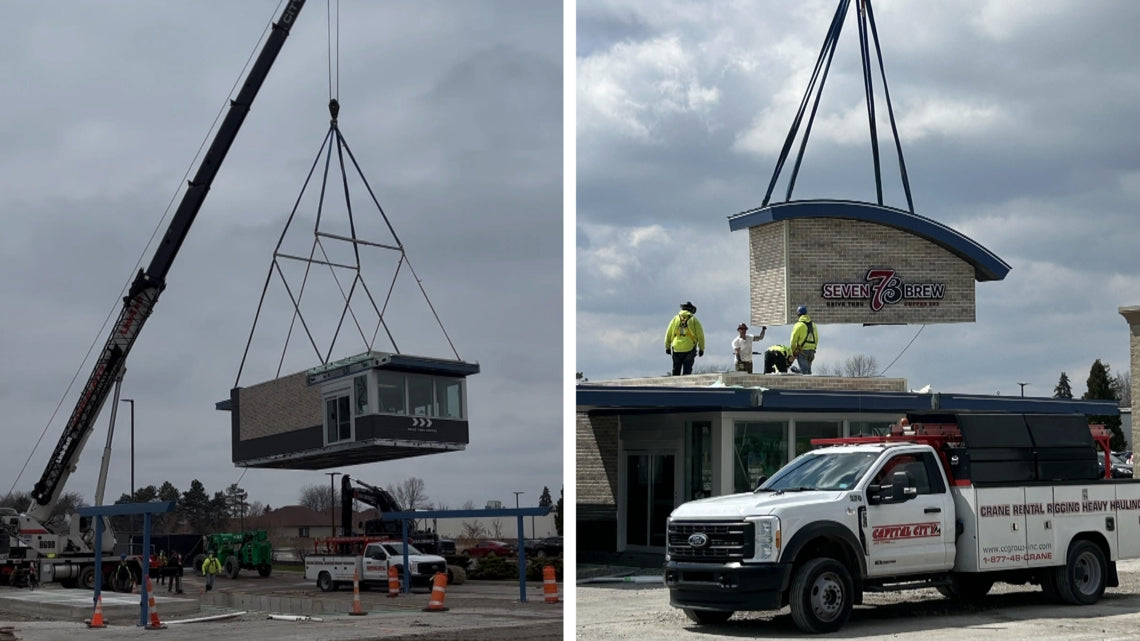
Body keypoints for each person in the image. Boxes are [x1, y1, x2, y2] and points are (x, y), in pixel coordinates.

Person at [665, 301, 705, 376]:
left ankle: (674, 386)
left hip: (676, 347)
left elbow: (668, 333)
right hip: (689, 348)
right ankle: (685, 387)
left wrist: (667, 346)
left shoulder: (675, 319)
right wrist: (701, 349)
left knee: (676, 370)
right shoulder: (694, 320)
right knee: (687, 371)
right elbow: (700, 336)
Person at [789, 305, 818, 374]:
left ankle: (797, 371)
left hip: (802, 352)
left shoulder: (798, 325)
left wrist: (793, 351)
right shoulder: (813, 325)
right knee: (808, 371)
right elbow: (816, 338)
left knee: (804, 373)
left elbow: (793, 341)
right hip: (811, 352)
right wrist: (813, 349)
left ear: (798, 315)